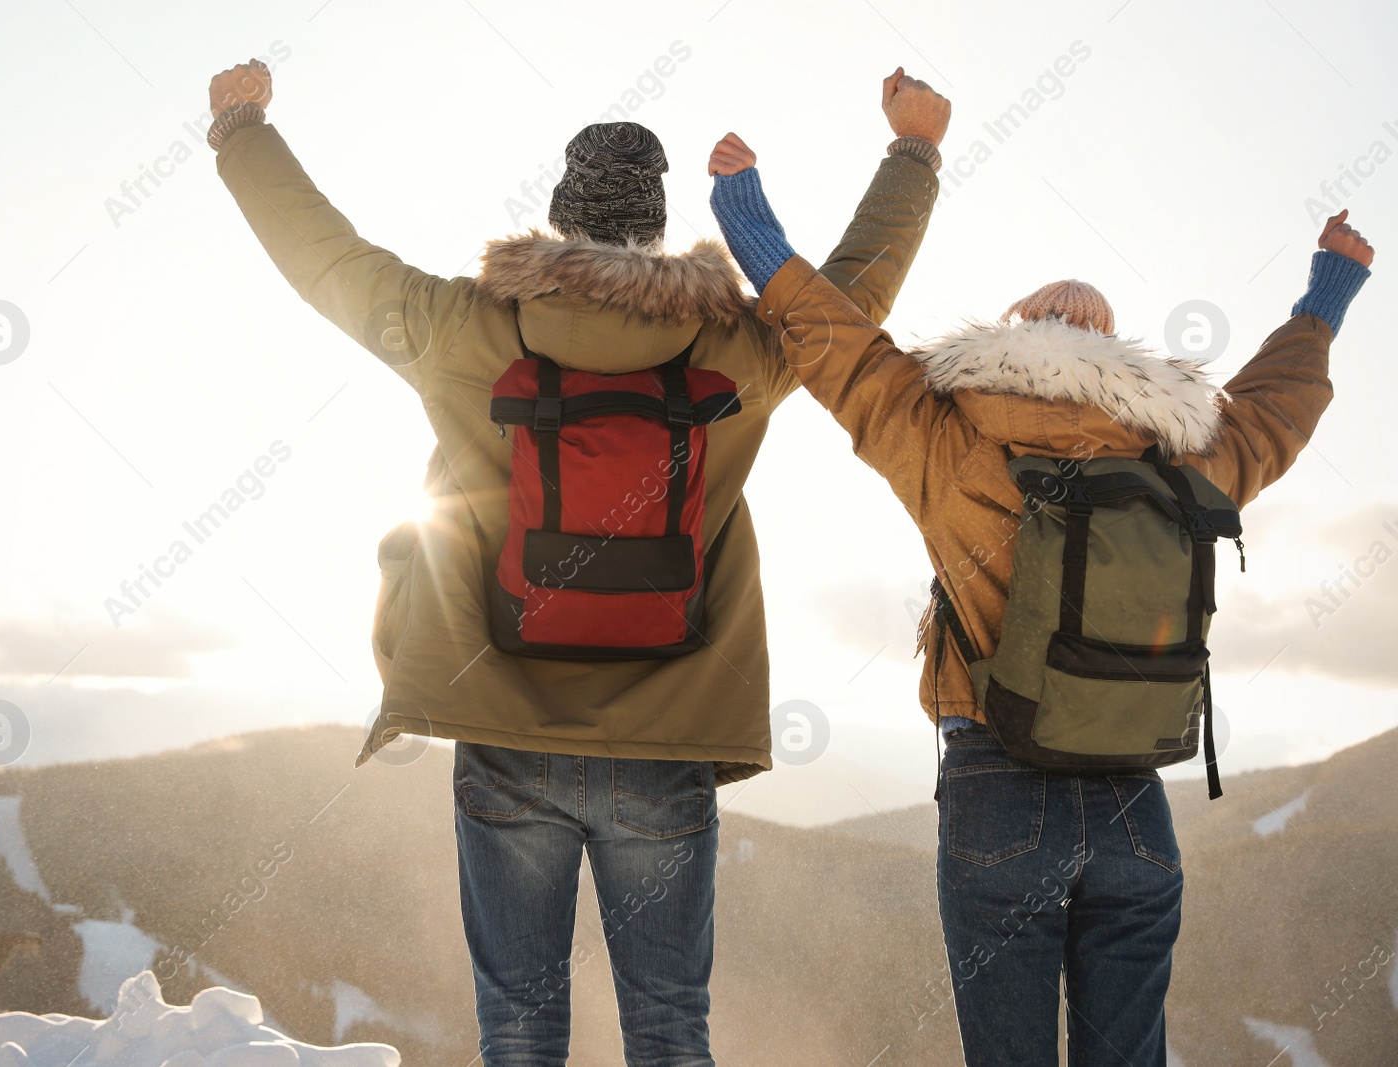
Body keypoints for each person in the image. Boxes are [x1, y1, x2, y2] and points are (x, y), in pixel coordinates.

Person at [205, 60, 949, 1066]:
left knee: (518, 1020)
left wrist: (241, 126)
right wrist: (913, 151)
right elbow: (848, 303)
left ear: (556, 220)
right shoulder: (737, 348)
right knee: (670, 1021)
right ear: (653, 226)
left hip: (507, 731)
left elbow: (323, 257)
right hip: (669, 732)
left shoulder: (463, 327)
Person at [707, 136, 1372, 1065]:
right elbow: (1274, 412)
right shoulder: (1182, 460)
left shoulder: (952, 438)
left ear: (1011, 334)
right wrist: (1326, 294)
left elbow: (841, 351)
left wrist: (748, 220)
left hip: (997, 785)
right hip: (1138, 802)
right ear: (1118, 352)